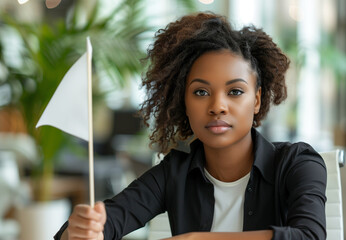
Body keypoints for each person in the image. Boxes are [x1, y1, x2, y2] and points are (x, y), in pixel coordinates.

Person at [55, 12, 327, 240]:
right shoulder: (174, 172)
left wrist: (196, 239)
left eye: (235, 92)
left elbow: (309, 236)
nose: (217, 106)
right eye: (200, 92)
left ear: (256, 100)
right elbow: (107, 222)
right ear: (183, 101)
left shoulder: (297, 163)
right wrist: (81, 230)